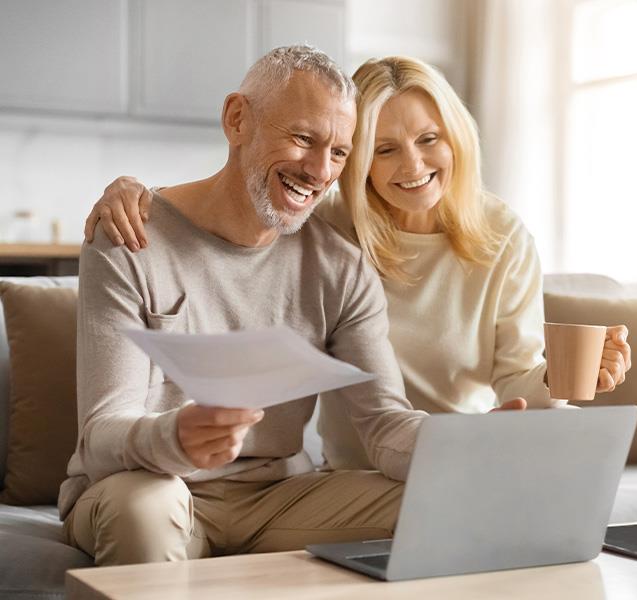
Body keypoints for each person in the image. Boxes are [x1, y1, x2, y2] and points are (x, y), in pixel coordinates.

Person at [62, 46, 531, 568]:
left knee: (458, 504)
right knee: (145, 510)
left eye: (338, 153)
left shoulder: (340, 266)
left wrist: (468, 443)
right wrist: (174, 436)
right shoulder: (131, 234)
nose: (317, 170)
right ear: (237, 119)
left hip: (278, 496)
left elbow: (385, 425)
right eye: (303, 139)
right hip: (150, 485)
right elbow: (103, 430)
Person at [84, 55, 631, 471]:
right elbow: (241, 197)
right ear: (358, 162)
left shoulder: (501, 235)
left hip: (463, 446)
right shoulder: (327, 227)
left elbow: (516, 372)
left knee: (566, 426)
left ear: (457, 140)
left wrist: (566, 376)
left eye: (429, 139)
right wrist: (132, 191)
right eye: (384, 149)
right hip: (361, 465)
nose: (413, 165)